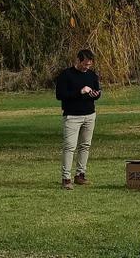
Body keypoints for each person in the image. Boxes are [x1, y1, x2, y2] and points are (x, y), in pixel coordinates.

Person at [56, 49, 102, 190]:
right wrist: (80, 92)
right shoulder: (66, 75)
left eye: (89, 64)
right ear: (78, 60)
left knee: (85, 146)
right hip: (72, 116)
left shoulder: (92, 75)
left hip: (89, 114)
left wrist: (96, 94)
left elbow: (97, 91)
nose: (87, 67)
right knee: (70, 147)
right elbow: (60, 95)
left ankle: (80, 175)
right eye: (85, 64)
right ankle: (66, 178)